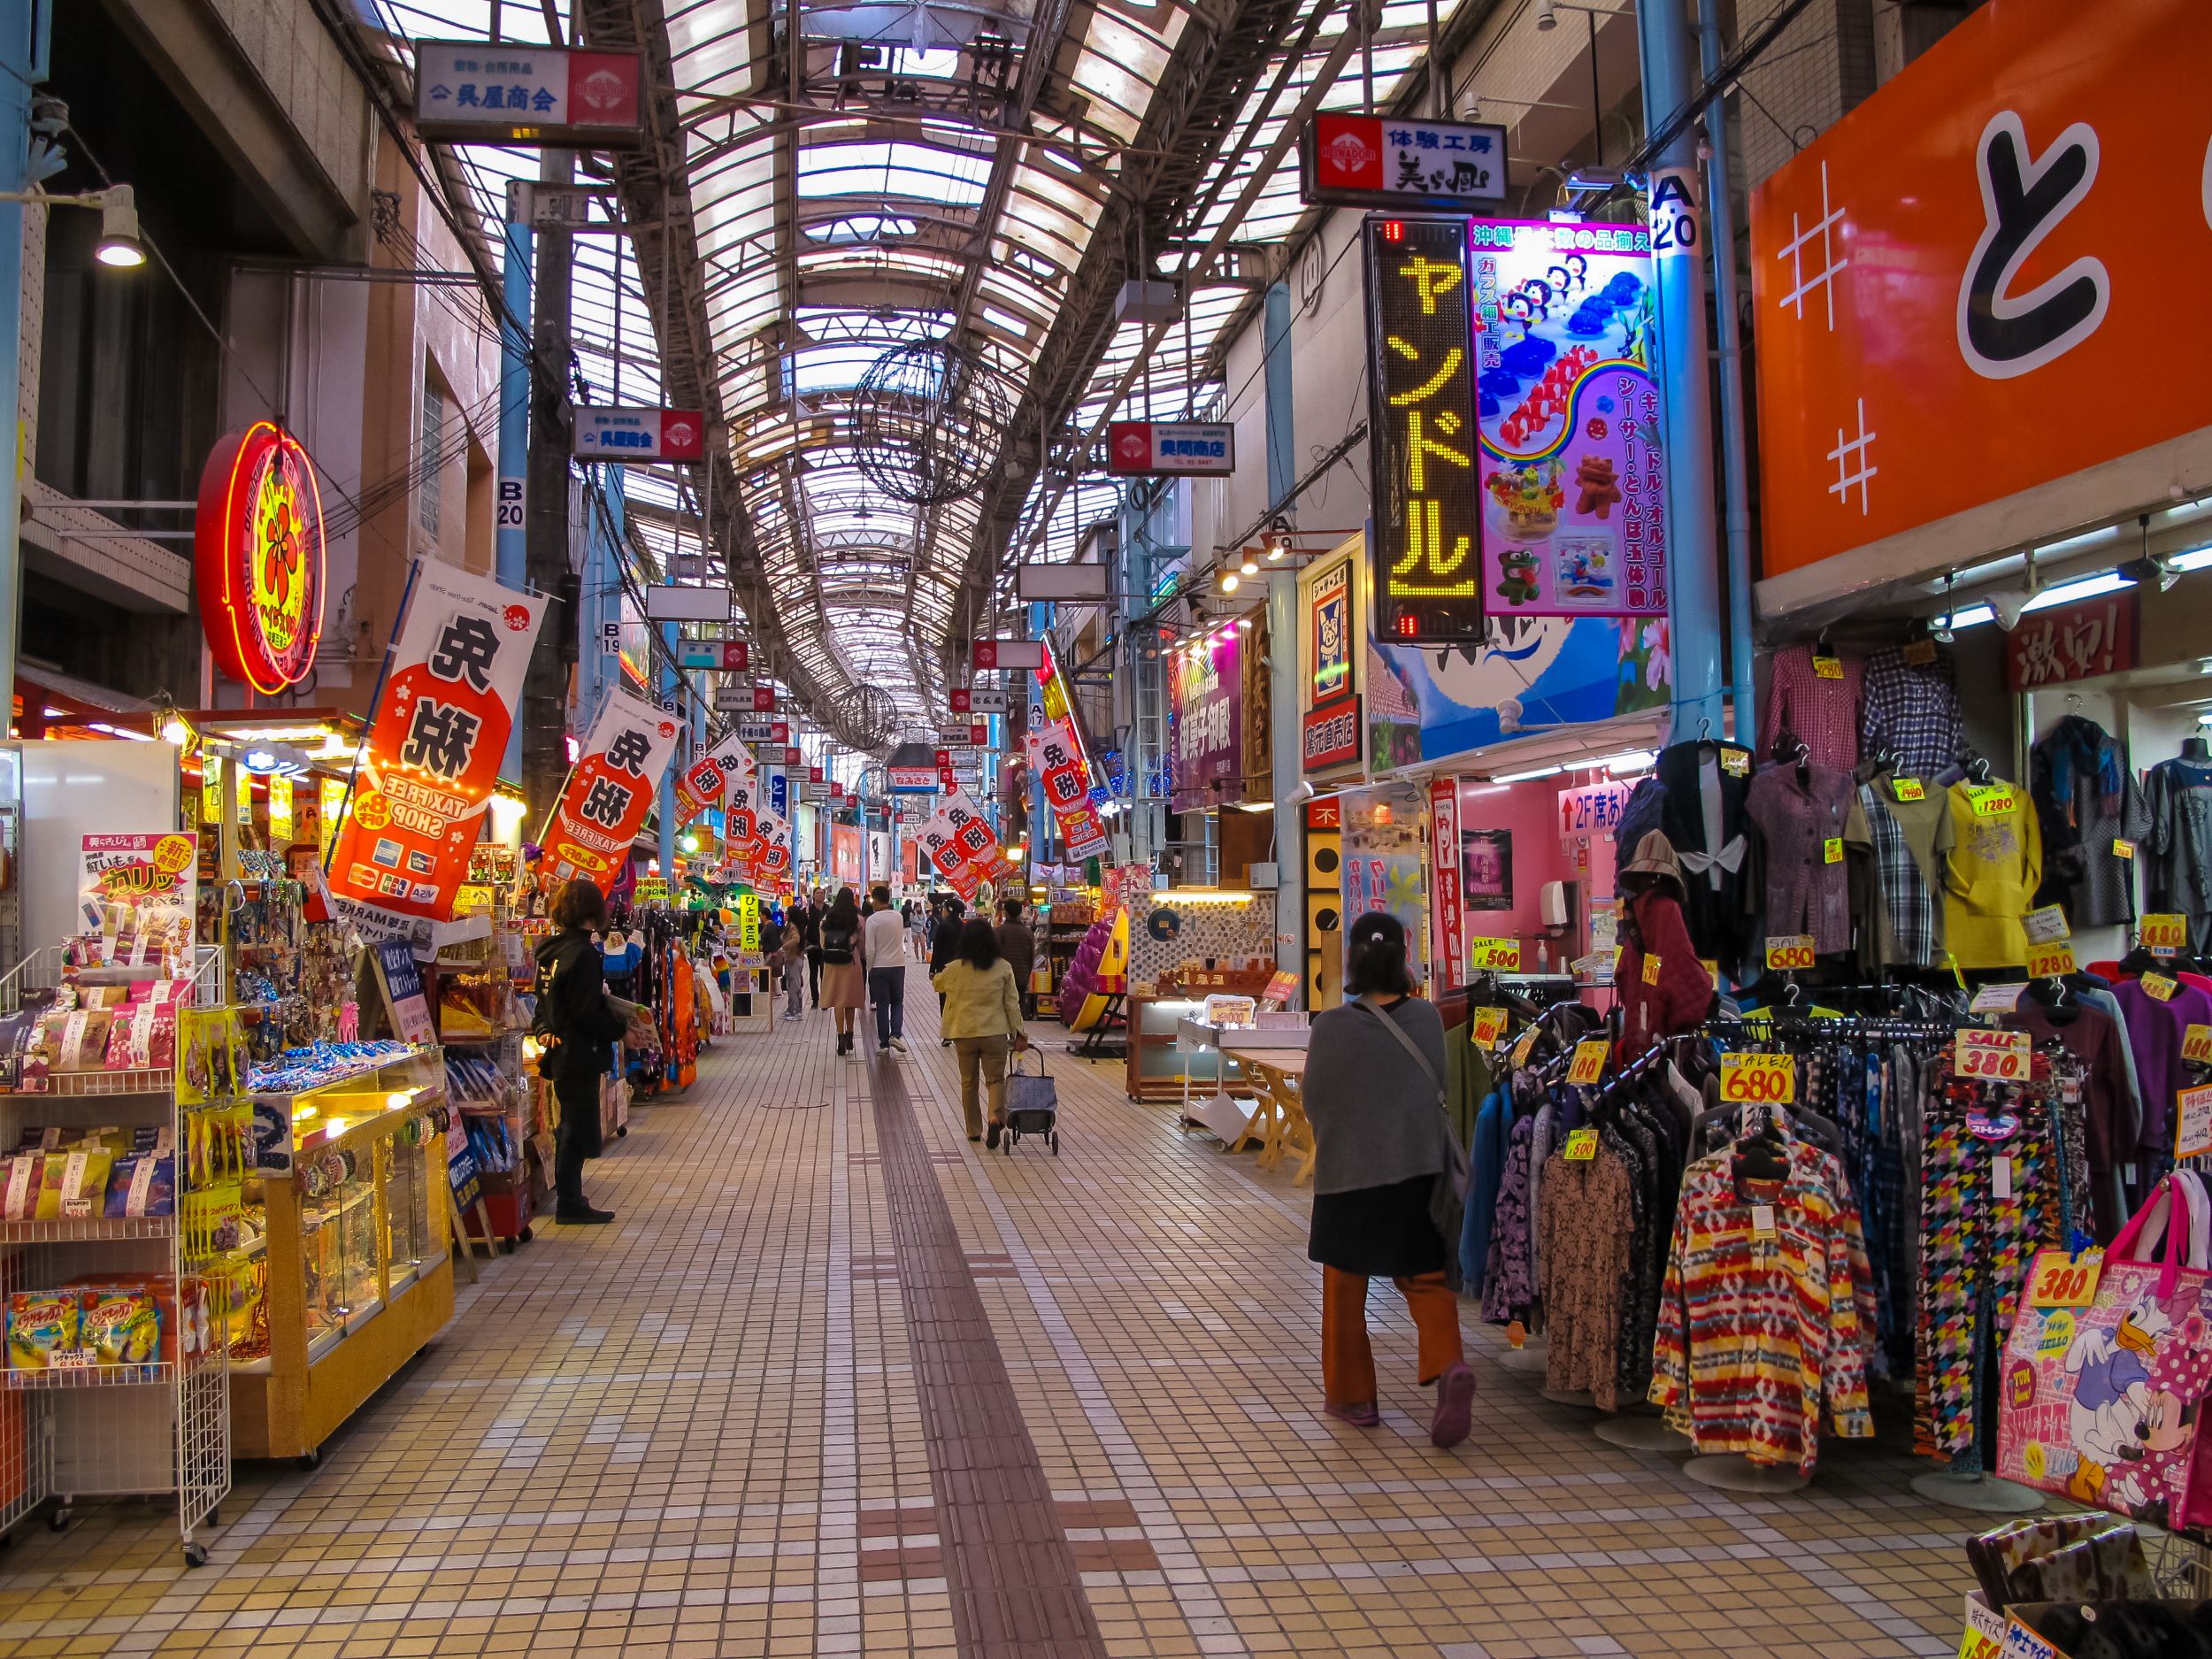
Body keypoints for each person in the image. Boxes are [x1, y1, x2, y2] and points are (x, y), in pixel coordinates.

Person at [1301, 910, 1475, 1448]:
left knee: (1344, 1287)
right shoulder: (1425, 1018)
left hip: (1348, 1177)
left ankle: (1354, 1398)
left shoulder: (1330, 1027)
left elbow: (1314, 1102)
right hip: (1418, 1173)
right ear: (1403, 959)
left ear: (1351, 960)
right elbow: (1433, 1089)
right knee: (1426, 1279)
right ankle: (1449, 1365)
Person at [532, 879, 649, 1224]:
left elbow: (544, 1005)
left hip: (561, 1052)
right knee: (575, 1129)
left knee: (571, 1125)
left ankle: (572, 1196)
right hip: (579, 1052)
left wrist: (543, 1031)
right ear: (594, 911)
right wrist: (619, 1029)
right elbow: (585, 1010)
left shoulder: (550, 953)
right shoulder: (582, 954)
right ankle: (570, 1203)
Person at [933, 918, 1027, 1144]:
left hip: (963, 1033)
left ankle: (973, 1130)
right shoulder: (1003, 967)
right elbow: (1012, 1003)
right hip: (994, 1033)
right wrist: (1019, 1033)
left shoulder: (955, 968)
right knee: (995, 1080)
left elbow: (937, 984)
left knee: (968, 1081)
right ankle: (995, 1117)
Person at [818, 887, 866, 1056]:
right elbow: (862, 945)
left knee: (838, 1001)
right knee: (850, 1000)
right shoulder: (858, 920)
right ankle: (850, 1034)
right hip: (851, 961)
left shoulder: (826, 919)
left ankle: (840, 1036)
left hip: (832, 963)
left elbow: (823, 944)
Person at [863, 883, 909, 1055]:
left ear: (875, 901)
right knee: (897, 1002)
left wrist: (870, 968)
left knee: (882, 1005)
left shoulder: (872, 920)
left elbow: (870, 949)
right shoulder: (898, 917)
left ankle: (883, 1044)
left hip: (879, 967)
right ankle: (895, 1034)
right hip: (898, 965)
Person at [929, 896, 966, 1045]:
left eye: (944, 909)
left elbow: (937, 949)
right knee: (959, 1000)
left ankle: (947, 1035)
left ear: (948, 910)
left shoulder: (943, 927)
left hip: (944, 968)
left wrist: (932, 970)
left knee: (945, 1000)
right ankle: (959, 1032)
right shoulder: (964, 927)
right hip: (961, 969)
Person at [996, 898, 1036, 1018]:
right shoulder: (1028, 933)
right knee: (1017, 1008)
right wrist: (1027, 975)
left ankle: (1005, 1034)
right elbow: (1031, 957)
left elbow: (996, 955)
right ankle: (1017, 1034)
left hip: (1003, 978)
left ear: (1006, 912)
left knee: (1002, 1010)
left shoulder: (999, 932)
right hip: (1021, 978)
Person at [795, 894, 824, 1008]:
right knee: (813, 973)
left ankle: (825, 999)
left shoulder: (828, 910)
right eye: (818, 893)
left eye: (822, 893)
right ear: (814, 896)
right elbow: (801, 928)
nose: (820, 895)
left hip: (825, 947)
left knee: (824, 974)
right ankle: (815, 999)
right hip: (811, 946)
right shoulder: (807, 911)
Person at [778, 914, 805, 1020]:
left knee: (794, 985)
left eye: (787, 913)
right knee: (790, 984)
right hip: (790, 958)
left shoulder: (792, 927)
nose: (785, 915)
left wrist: (785, 946)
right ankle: (791, 1009)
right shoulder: (790, 926)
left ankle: (796, 1011)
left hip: (794, 957)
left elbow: (795, 939)